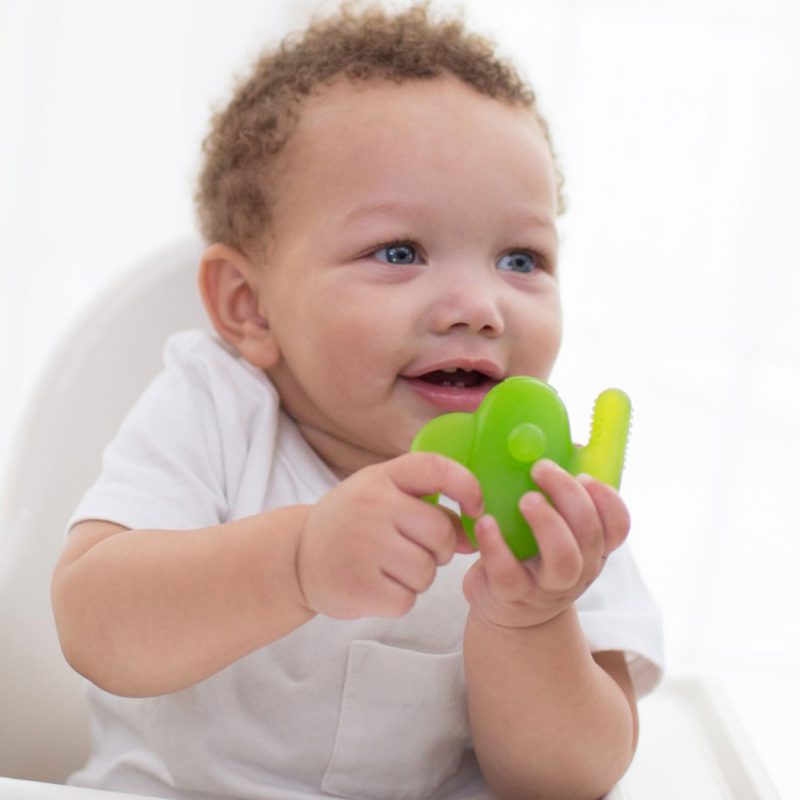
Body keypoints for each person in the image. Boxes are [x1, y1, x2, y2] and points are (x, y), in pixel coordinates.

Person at [51, 4, 663, 799]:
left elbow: (569, 780)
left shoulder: (550, 495)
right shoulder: (215, 409)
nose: (479, 304)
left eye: (521, 257)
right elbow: (96, 626)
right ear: (251, 307)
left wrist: (531, 621)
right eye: (400, 252)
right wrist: (298, 560)